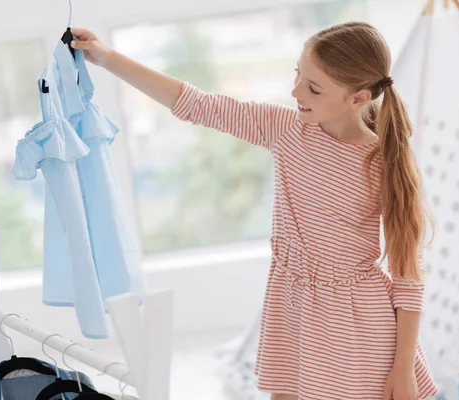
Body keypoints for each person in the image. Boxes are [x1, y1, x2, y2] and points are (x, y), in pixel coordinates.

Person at [70, 21, 438, 400]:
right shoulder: (285, 128)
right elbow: (198, 104)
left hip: (355, 321)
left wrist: (403, 367)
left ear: (359, 98)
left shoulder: (383, 163)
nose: (295, 92)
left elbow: (408, 273)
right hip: (290, 300)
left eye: (313, 87)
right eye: (299, 75)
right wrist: (108, 58)